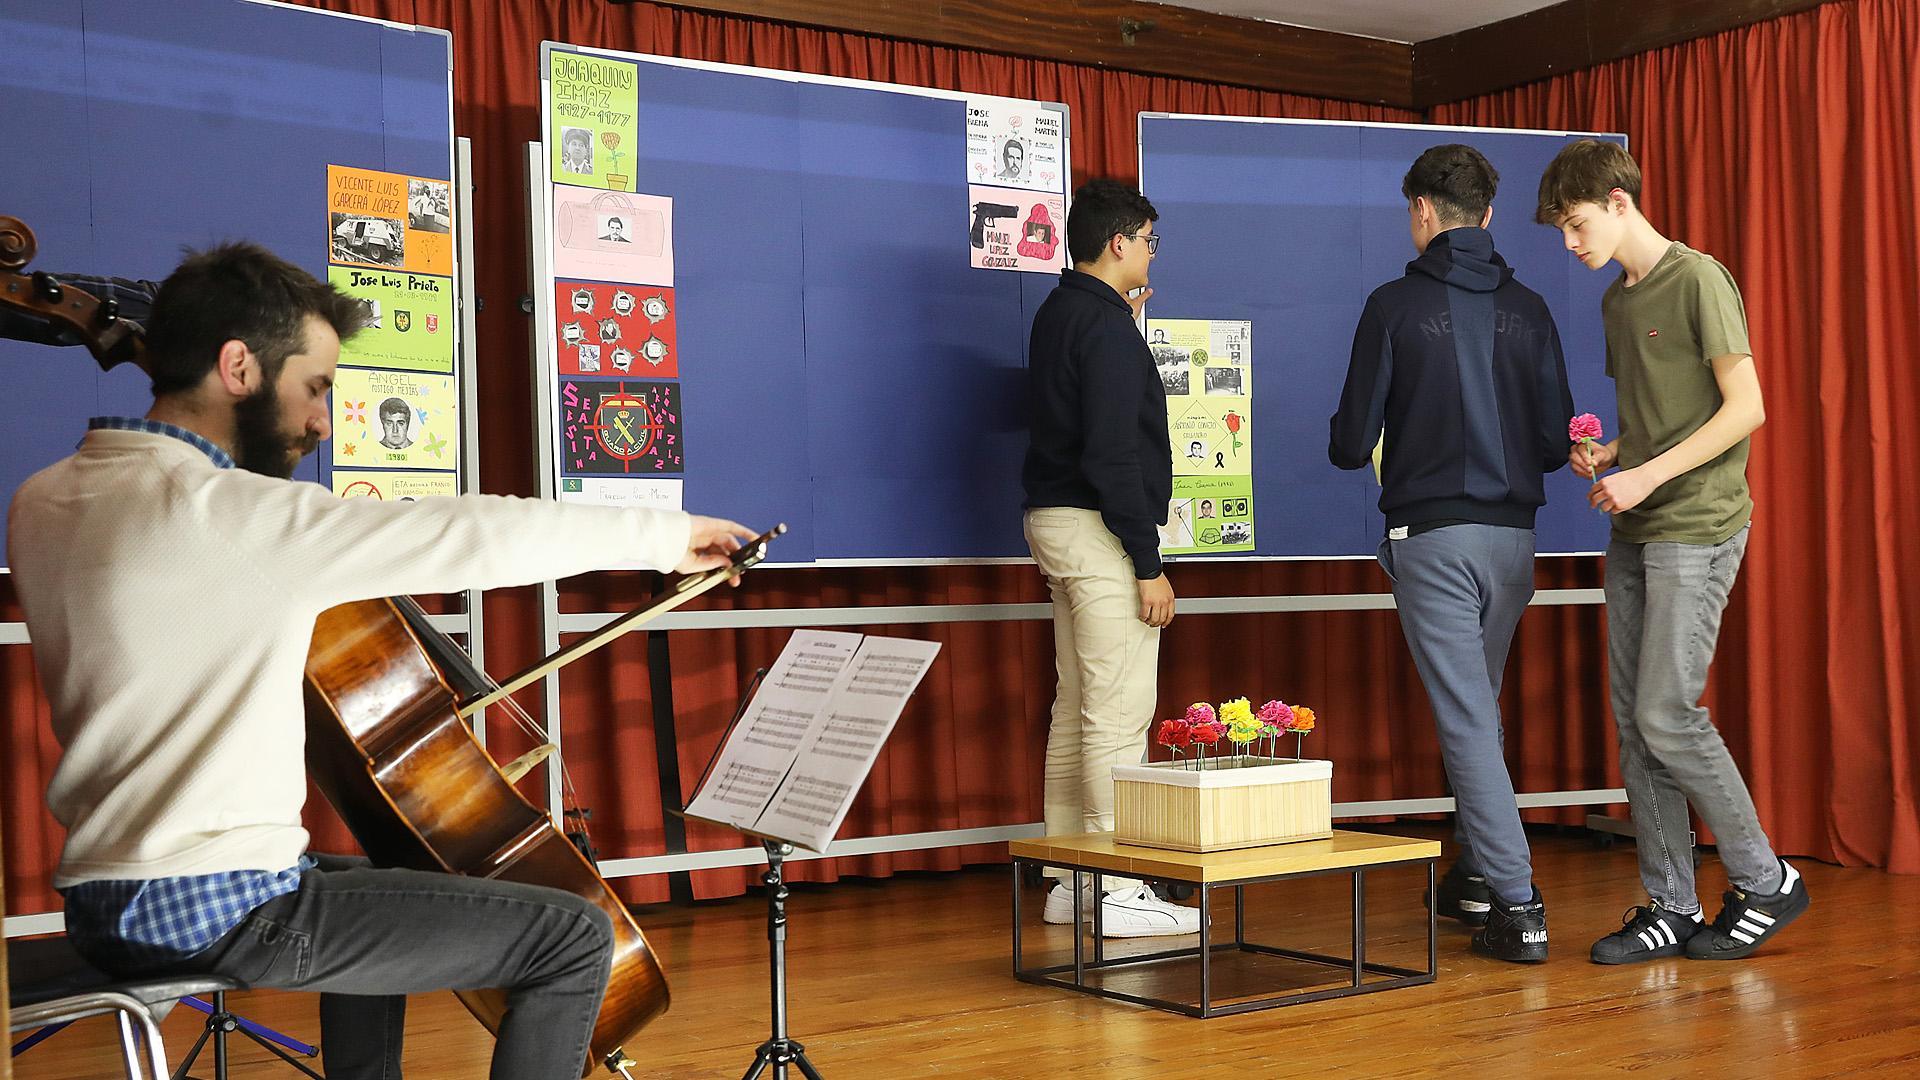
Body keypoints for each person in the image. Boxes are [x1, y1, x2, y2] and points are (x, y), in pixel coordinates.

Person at [6, 242, 755, 1079]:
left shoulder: (45, 499)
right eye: (316, 386)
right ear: (238, 366)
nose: (321, 422)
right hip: (210, 903)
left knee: (385, 877)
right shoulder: (235, 515)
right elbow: (466, 532)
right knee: (570, 935)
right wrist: (663, 533)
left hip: (104, 898)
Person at [1537, 139, 1808, 964]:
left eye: (1578, 225)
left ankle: (1766, 880)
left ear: (1620, 204)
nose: (1570, 244)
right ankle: (1671, 903)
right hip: (1639, 526)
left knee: (1667, 712)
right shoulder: (1619, 302)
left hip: (1699, 523)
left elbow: (1746, 407)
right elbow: (1668, 415)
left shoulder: (1699, 278)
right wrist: (1613, 455)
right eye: (1561, 231)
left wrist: (1646, 473)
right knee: (1635, 720)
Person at [1330, 144, 1573, 963]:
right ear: (1490, 215)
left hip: (1431, 537)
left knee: (1468, 717)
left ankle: (1518, 901)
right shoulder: (1533, 309)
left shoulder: (1392, 305)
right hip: (1514, 540)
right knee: (1483, 706)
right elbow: (1549, 443)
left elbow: (1348, 441)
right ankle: (1475, 874)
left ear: (1422, 213)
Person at [1020, 179, 1196, 938]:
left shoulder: (1062, 313)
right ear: (1120, 242)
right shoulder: (1109, 330)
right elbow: (1115, 454)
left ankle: (1070, 881)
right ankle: (1117, 888)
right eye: (1150, 240)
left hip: (1053, 522)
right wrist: (1147, 561)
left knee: (1077, 708)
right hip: (1098, 531)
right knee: (1118, 714)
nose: (1153, 252)